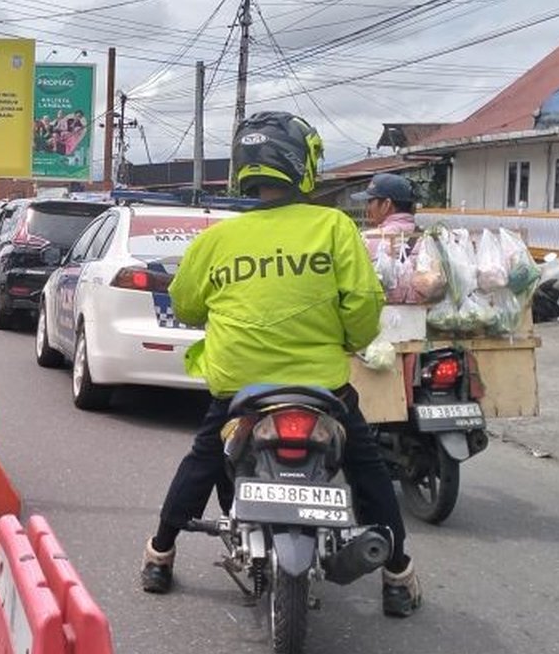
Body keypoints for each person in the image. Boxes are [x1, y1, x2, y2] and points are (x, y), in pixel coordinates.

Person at [139, 111, 421, 618]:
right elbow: (361, 307)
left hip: (240, 391)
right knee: (366, 467)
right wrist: (347, 339)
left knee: (203, 460)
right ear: (303, 165)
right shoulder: (334, 226)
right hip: (322, 389)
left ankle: (160, 555)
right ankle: (397, 575)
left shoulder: (216, 240)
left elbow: (185, 305)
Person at [352, 173, 418, 236]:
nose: (368, 208)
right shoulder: (425, 237)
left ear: (386, 205)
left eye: (370, 201)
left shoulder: (368, 239)